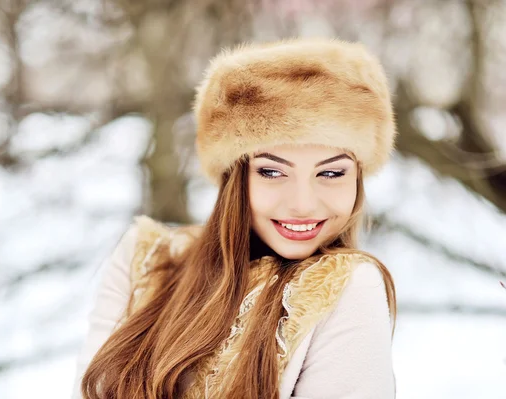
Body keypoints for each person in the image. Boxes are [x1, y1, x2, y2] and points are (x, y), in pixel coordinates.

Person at [71, 37, 397, 399]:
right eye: (272, 172)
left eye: (332, 174)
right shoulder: (145, 260)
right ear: (235, 178)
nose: (303, 204)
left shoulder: (347, 287)